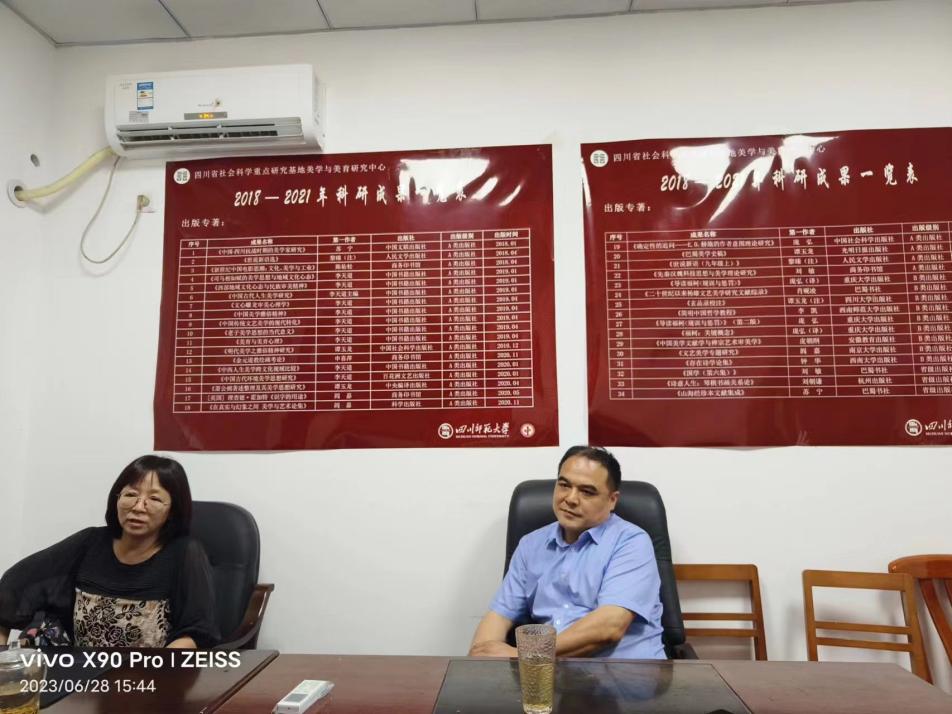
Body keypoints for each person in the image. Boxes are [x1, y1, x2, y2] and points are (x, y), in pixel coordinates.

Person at [0, 455, 219, 648]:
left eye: (154, 499)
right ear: (117, 498)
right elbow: (13, 587)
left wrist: (157, 672)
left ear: (172, 510)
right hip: (80, 672)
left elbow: (195, 633)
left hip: (149, 674)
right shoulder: (89, 542)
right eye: (131, 494)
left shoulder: (185, 553)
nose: (138, 507)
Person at [469, 445, 664, 659]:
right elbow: (499, 615)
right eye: (564, 485)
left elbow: (610, 626)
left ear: (612, 500)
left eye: (587, 491)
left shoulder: (631, 542)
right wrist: (481, 656)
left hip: (626, 672)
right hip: (552, 672)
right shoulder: (531, 544)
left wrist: (524, 655)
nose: (570, 499)